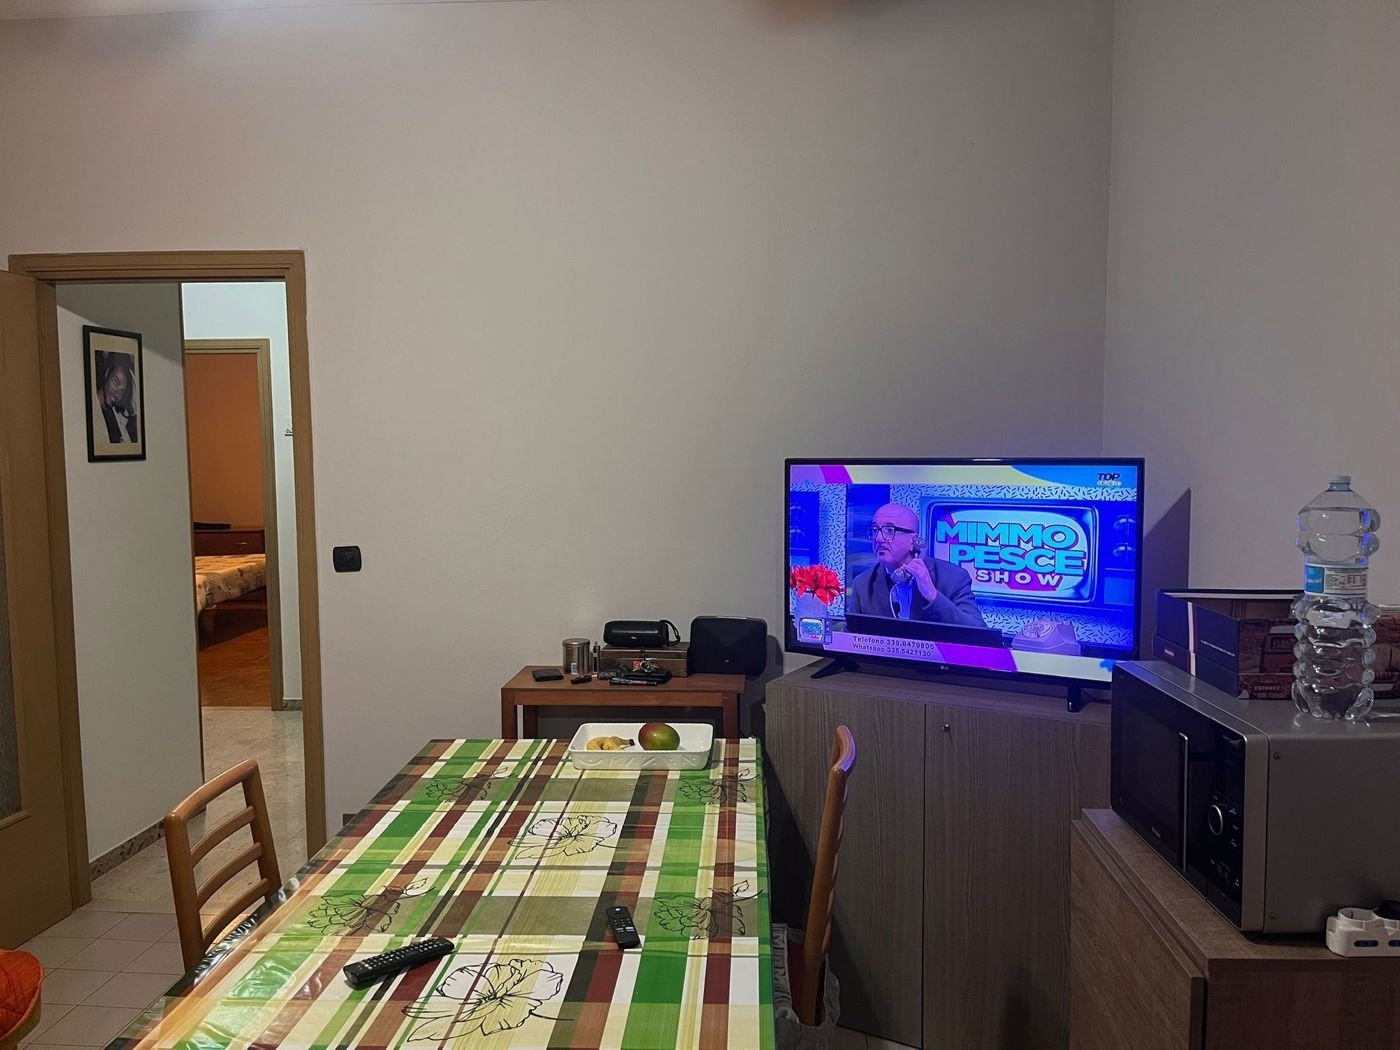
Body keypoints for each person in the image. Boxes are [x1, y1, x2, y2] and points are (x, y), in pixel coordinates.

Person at [846, 503, 986, 627]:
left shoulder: (953, 578)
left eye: (889, 530)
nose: (878, 538)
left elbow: (978, 634)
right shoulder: (863, 585)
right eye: (874, 530)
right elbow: (851, 638)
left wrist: (932, 595)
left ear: (914, 541)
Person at [96, 354, 139, 444]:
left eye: (122, 390)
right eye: (116, 382)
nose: (117, 394)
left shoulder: (118, 419)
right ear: (107, 373)